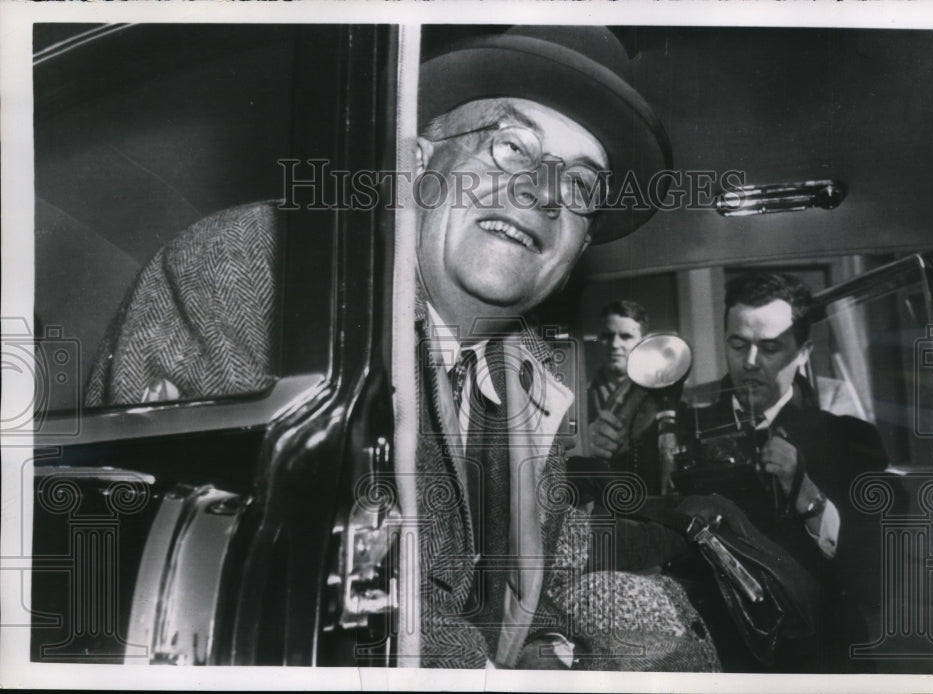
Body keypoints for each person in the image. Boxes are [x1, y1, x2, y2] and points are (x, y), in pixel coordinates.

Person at [85, 26, 708, 670]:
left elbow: (519, 577)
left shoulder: (527, 387)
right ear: (416, 166)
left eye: (580, 186)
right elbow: (279, 579)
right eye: (511, 146)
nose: (545, 192)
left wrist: (556, 644)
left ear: (578, 247)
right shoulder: (274, 268)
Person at [677, 271, 890, 672]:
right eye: (737, 344)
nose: (750, 363)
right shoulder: (680, 428)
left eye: (770, 348)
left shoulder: (851, 441)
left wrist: (806, 492)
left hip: (818, 657)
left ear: (804, 353)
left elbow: (873, 582)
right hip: (718, 653)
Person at [586, 300, 662, 492]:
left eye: (626, 336)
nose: (615, 344)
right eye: (607, 336)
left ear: (644, 342)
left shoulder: (663, 396)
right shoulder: (575, 396)